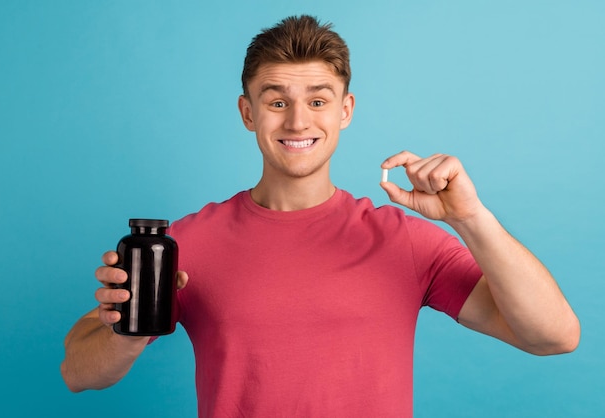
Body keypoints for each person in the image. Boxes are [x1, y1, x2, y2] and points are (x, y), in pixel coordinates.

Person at [61, 15, 580, 417]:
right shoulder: (182, 244)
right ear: (248, 113)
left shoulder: (403, 241)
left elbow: (554, 335)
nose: (298, 120)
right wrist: (123, 334)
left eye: (317, 99)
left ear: (345, 111)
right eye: (276, 100)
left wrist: (471, 218)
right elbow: (76, 371)